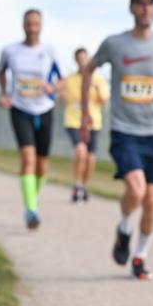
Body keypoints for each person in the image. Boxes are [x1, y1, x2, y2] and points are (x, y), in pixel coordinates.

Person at [78, 0, 153, 280]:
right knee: (137, 190)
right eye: (140, 4)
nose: (146, 9)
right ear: (132, 9)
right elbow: (88, 70)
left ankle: (140, 256)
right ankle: (124, 228)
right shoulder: (115, 44)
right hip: (124, 130)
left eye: (150, 4)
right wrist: (84, 109)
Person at [0, 9, 62, 230]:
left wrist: (51, 87)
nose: (32, 28)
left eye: (36, 24)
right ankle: (31, 210)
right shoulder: (10, 51)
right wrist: (5, 94)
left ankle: (31, 200)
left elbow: (61, 81)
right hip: (20, 108)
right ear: (22, 25)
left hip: (44, 109)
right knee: (28, 157)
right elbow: (1, 72)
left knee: (42, 166)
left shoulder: (50, 51)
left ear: (41, 26)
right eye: (28, 24)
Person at [59, 47, 109, 202]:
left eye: (84, 59)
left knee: (90, 158)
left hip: (92, 122)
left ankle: (83, 186)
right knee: (81, 152)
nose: (82, 62)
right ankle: (77, 185)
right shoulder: (70, 79)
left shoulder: (97, 78)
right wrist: (60, 93)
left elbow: (104, 100)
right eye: (79, 59)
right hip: (73, 120)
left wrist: (96, 88)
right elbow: (59, 93)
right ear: (76, 61)